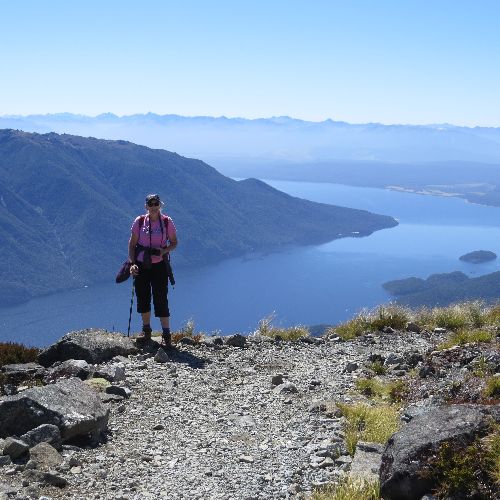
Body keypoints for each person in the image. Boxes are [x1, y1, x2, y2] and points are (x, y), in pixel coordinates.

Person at [128, 193, 178, 346]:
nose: (154, 207)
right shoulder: (140, 221)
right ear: (146, 206)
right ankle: (147, 331)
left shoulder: (167, 222)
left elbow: (174, 242)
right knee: (143, 297)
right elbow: (132, 245)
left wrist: (163, 251)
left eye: (156, 204)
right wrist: (132, 264)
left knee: (161, 298)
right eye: (151, 204)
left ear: (160, 205)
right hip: (142, 265)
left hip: (160, 265)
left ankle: (166, 334)